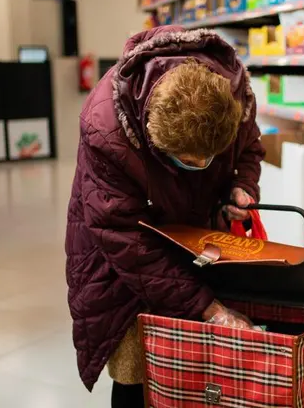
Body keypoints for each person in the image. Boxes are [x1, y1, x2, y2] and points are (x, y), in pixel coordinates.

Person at [65, 26, 265, 407]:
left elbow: (249, 149)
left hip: (198, 240)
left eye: (209, 158)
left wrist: (242, 185)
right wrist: (206, 307)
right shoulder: (106, 126)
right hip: (123, 259)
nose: (202, 166)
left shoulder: (234, 99)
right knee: (136, 367)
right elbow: (121, 234)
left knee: (201, 369)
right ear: (154, 140)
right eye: (188, 162)